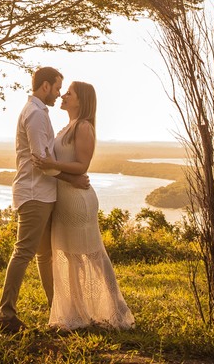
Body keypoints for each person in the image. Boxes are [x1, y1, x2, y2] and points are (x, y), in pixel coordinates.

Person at [31, 80, 134, 331]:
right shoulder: (68, 126)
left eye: (70, 93)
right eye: (63, 92)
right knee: (68, 256)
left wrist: (50, 166)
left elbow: (82, 167)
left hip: (78, 200)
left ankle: (116, 311)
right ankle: (76, 313)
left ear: (81, 100)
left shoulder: (83, 126)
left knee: (91, 255)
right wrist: (51, 167)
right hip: (64, 199)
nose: (63, 95)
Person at [0, 66, 90, 333]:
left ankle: (56, 310)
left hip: (43, 194)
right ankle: (5, 316)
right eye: (58, 88)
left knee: (44, 256)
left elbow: (46, 160)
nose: (59, 93)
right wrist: (72, 179)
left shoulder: (39, 113)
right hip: (35, 193)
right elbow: (42, 163)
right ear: (45, 86)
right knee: (24, 252)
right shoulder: (36, 115)